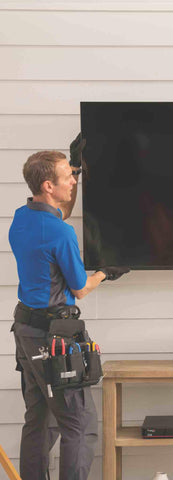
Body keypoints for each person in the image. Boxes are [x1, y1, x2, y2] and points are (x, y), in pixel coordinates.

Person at [9, 136, 130, 480]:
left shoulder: (22, 217)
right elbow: (80, 288)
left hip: (26, 331)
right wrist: (106, 272)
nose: (75, 180)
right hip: (53, 337)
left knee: (39, 419)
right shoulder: (60, 234)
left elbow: (60, 214)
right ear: (49, 185)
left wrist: (73, 163)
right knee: (79, 424)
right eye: (69, 177)